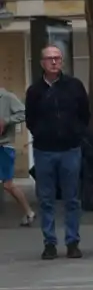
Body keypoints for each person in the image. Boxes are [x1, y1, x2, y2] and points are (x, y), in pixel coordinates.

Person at [24, 44, 90, 260]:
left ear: (62, 61)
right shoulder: (34, 91)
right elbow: (30, 119)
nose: (54, 62)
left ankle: (72, 242)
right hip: (44, 151)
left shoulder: (74, 86)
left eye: (57, 58)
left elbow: (84, 113)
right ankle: (49, 243)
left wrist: (76, 133)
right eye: (49, 58)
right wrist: (43, 134)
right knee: (46, 199)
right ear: (42, 63)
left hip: (70, 149)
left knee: (72, 198)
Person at [0, 86, 35, 227]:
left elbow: (24, 113)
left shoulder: (7, 97)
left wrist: (5, 120)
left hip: (4, 146)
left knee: (8, 185)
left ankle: (28, 212)